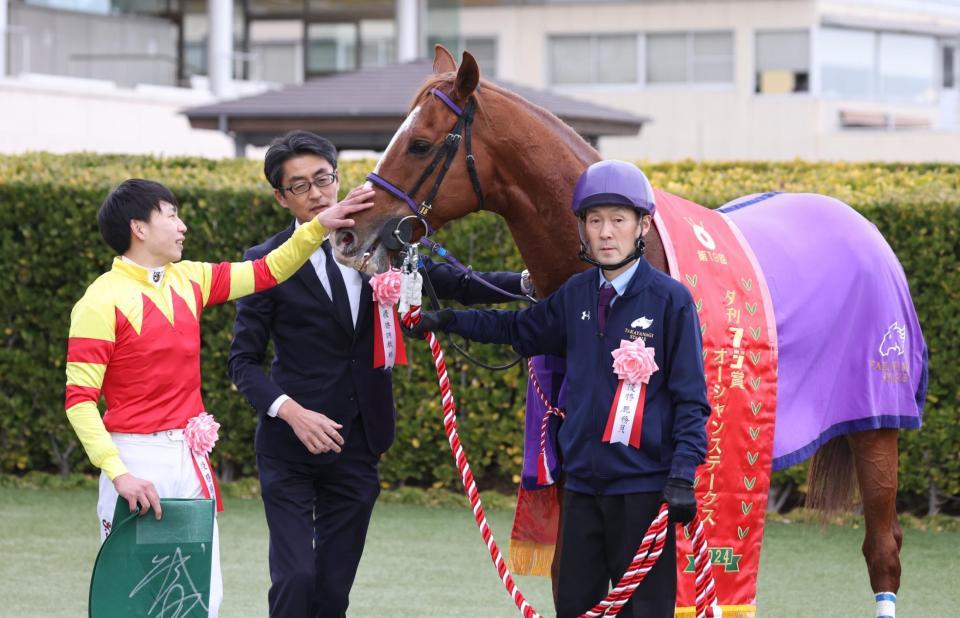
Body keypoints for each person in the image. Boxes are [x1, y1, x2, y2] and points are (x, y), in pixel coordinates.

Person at [227, 130, 527, 618]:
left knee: (332, 589)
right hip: (289, 449)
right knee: (296, 577)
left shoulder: (380, 241)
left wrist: (529, 283)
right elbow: (242, 363)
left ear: (338, 176)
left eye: (323, 179)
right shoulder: (264, 262)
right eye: (300, 186)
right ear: (281, 197)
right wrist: (292, 413)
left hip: (360, 442)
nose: (317, 193)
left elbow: (455, 283)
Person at [406, 160, 710, 617]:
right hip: (582, 486)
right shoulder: (575, 293)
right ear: (583, 230)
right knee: (573, 605)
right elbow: (518, 329)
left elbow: (691, 399)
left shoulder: (671, 301)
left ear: (642, 225)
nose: (606, 233)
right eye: (595, 221)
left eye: (618, 220)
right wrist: (447, 321)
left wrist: (683, 474)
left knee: (644, 612)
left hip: (644, 490)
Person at [64, 177, 371, 617]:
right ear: (139, 228)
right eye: (171, 215)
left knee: (197, 596)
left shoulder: (190, 278)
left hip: (188, 460)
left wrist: (318, 225)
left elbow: (269, 270)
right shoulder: (99, 300)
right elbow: (79, 400)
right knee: (138, 599)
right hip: (134, 462)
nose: (182, 226)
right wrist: (118, 474)